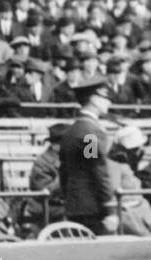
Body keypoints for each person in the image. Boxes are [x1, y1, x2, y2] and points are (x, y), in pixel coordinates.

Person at [59, 75, 118, 235]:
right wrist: (110, 208)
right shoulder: (89, 133)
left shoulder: (71, 131)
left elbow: (63, 171)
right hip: (93, 207)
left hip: (75, 204)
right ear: (93, 99)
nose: (109, 102)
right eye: (105, 97)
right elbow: (97, 169)